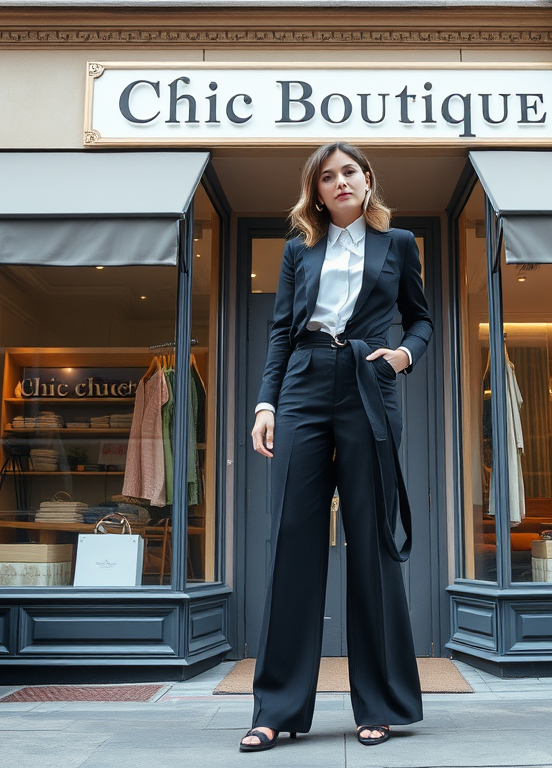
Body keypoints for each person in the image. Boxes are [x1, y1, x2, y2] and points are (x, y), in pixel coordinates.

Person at [241, 142, 433, 752]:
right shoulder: (299, 250)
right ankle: (275, 709)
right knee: (293, 542)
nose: (340, 181)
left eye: (349, 171)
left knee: (372, 544)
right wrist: (266, 404)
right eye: (328, 176)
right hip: (302, 383)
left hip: (368, 383)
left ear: (367, 180)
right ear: (316, 191)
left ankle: (379, 703)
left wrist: (405, 355)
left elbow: (421, 318)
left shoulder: (399, 245)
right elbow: (280, 330)